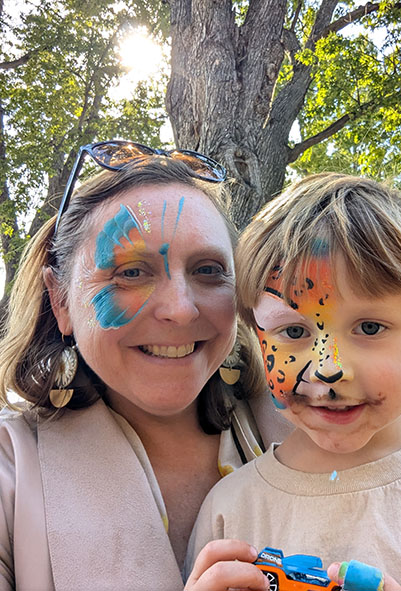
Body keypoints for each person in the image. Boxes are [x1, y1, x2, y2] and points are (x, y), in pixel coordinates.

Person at [0, 140, 294, 591]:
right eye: (131, 272)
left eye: (209, 270)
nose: (180, 309)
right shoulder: (10, 471)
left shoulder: (321, 438)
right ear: (60, 300)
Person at [186, 172, 401, 589]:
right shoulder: (229, 512)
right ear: (257, 337)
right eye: (293, 332)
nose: (329, 369)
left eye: (371, 328)